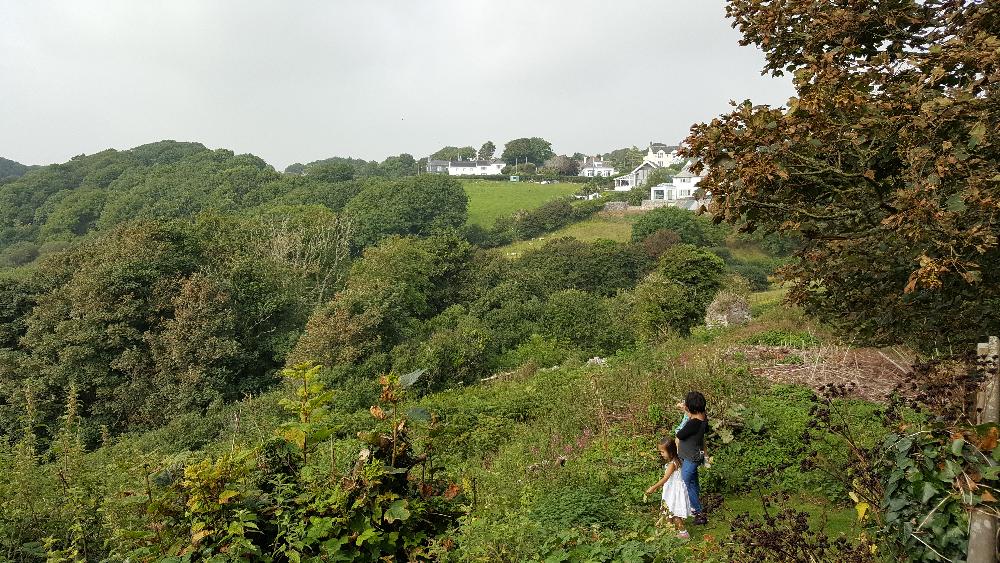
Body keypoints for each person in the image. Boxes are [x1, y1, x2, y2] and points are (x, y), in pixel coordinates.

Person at [643, 438, 691, 539]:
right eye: (660, 451)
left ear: (671, 451)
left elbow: (665, 478)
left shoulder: (672, 465)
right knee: (669, 510)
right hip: (673, 490)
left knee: (674, 514)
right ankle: (669, 530)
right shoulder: (677, 461)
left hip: (674, 492)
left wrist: (653, 487)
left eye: (663, 451)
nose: (661, 454)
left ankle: (684, 533)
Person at [676, 391, 708, 525]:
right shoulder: (703, 418)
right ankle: (696, 508)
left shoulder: (693, 423)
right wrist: (687, 412)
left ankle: (698, 513)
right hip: (696, 455)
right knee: (693, 483)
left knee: (685, 482)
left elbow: (680, 434)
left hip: (690, 458)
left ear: (691, 408)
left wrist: (686, 415)